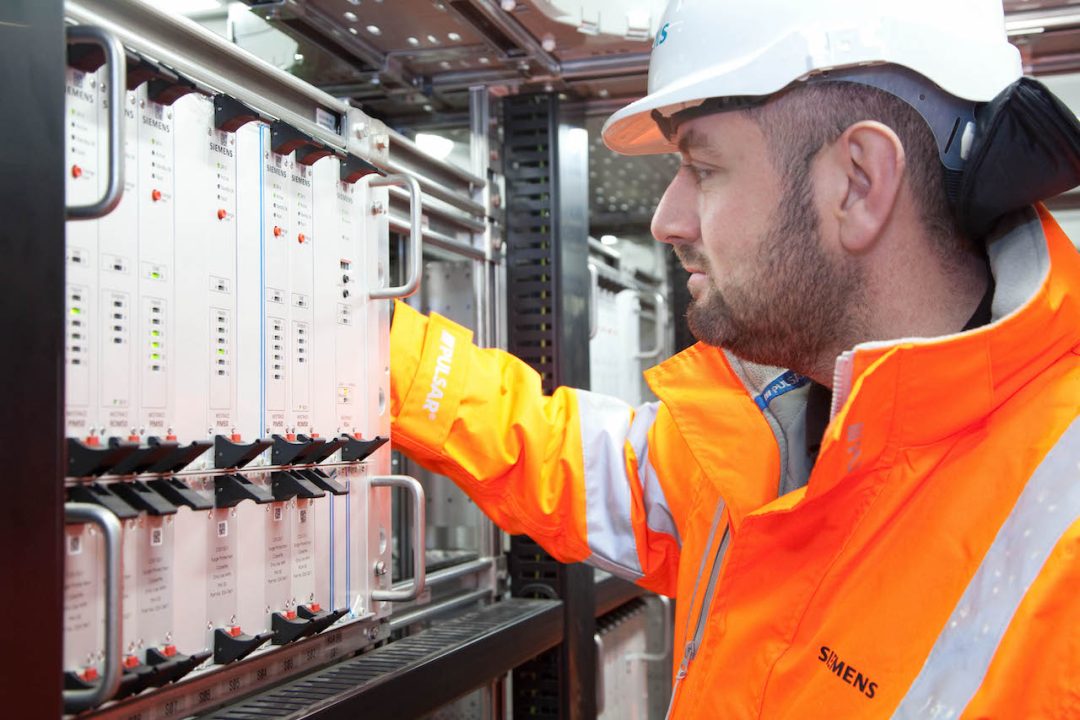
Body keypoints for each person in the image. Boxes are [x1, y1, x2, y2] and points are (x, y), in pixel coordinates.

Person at [389, 0, 1080, 716]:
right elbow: (576, 460)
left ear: (859, 181)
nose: (666, 219)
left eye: (704, 166)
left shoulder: (1060, 524)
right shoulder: (780, 417)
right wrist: (372, 348)